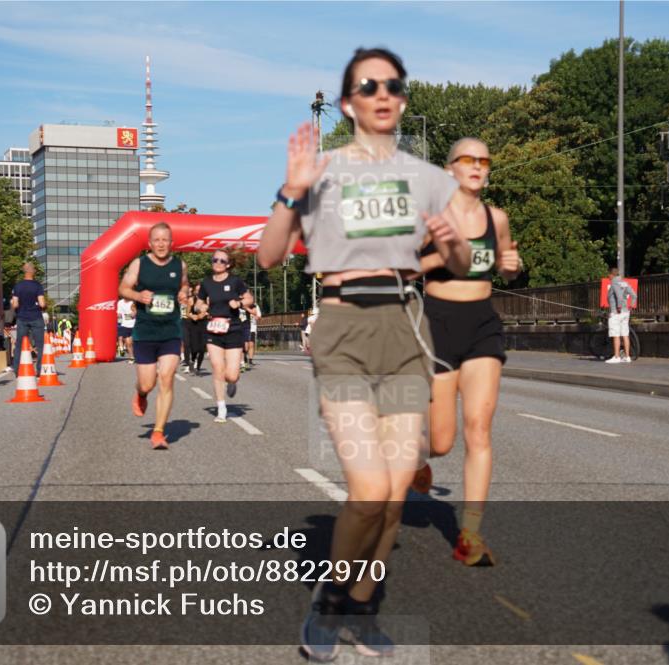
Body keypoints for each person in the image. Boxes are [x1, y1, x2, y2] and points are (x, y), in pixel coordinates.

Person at [258, 47, 469, 660]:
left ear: (401, 98)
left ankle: (363, 604)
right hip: (345, 329)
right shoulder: (319, 173)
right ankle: (327, 604)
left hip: (404, 330)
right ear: (349, 101)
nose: (383, 94)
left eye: (393, 85)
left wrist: (452, 244)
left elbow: (457, 262)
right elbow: (270, 255)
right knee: (370, 487)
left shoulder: (428, 178)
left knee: (398, 491)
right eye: (368, 85)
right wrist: (290, 194)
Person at [413, 137, 522, 567]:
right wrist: (436, 259)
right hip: (437, 322)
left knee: (479, 428)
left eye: (484, 160)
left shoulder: (497, 218)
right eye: (468, 159)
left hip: (482, 324)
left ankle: (470, 534)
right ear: (450, 168)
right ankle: (419, 459)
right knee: (442, 440)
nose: (477, 166)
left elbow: (507, 262)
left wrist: (511, 267)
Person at [119, 223, 188, 449]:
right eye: (156, 240)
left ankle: (158, 432)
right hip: (145, 331)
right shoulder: (140, 264)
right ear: (150, 243)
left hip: (171, 331)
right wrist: (139, 295)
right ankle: (140, 393)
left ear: (171, 243)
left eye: (165, 240)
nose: (161, 244)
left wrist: (183, 293)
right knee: (148, 384)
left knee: (167, 377)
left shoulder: (180, 265)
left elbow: (185, 285)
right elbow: (123, 288)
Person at [195, 248, 252, 422]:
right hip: (213, 329)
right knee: (217, 367)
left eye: (221, 260)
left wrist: (240, 302)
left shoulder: (235, 282)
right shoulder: (206, 283)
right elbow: (199, 302)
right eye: (215, 260)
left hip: (233, 329)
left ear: (228, 264)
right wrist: (200, 307)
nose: (217, 263)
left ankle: (232, 382)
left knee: (232, 374)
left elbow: (250, 299)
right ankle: (221, 407)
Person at [11, 262, 47, 376]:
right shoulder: (37, 286)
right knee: (40, 345)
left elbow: (15, 304)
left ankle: (17, 370)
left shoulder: (18, 286)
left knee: (19, 345)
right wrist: (44, 306)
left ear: (24, 271)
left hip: (22, 317)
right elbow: (42, 303)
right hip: (36, 317)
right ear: (32, 271)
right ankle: (40, 370)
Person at [607, 266, 637, 364]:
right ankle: (627, 356)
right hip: (625, 312)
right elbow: (634, 295)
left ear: (611, 274)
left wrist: (618, 307)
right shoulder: (624, 282)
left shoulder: (614, 282)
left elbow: (619, 296)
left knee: (616, 335)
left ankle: (616, 357)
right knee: (625, 334)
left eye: (608, 274)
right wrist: (631, 304)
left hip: (617, 312)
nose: (608, 276)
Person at [183, 287, 208, 375]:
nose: (199, 291)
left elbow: (213, 311)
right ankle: (192, 361)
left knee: (202, 348)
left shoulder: (208, 299)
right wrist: (193, 316)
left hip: (205, 325)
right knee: (194, 348)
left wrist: (206, 314)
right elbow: (187, 313)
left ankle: (197, 367)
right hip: (194, 325)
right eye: (197, 290)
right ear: (194, 291)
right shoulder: (191, 300)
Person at [117, 297, 137, 364]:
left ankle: (137, 355)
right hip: (124, 325)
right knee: (127, 342)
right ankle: (131, 357)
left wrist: (133, 313)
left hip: (135, 325)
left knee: (133, 342)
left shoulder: (133, 302)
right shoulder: (120, 302)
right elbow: (119, 314)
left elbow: (134, 314)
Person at [244, 299, 262, 366]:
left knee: (251, 344)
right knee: (245, 345)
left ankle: (250, 360)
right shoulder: (241, 304)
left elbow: (259, 316)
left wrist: (257, 317)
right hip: (244, 326)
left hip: (252, 327)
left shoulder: (255, 305)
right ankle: (244, 357)